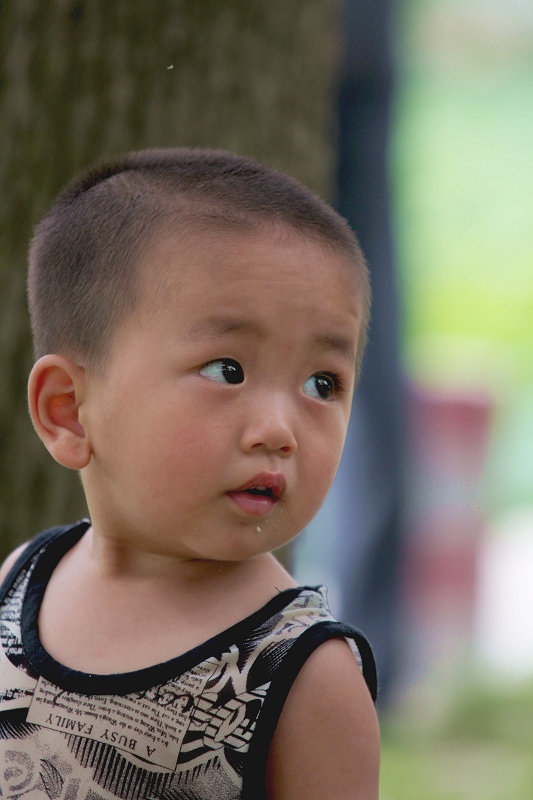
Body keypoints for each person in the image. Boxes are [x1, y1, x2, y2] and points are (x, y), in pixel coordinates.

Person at [0, 149, 379, 800]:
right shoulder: (19, 582)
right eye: (225, 370)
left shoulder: (303, 677)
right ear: (70, 411)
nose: (278, 430)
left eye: (323, 383)